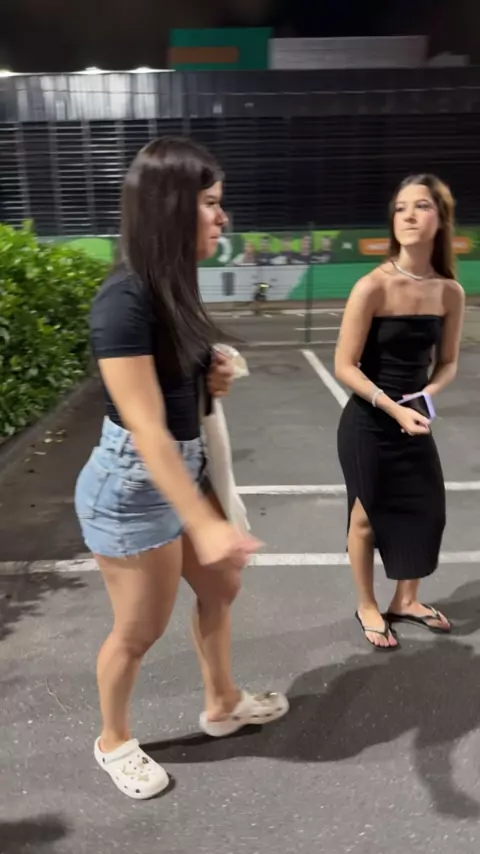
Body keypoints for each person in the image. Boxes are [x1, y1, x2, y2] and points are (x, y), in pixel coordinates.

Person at [74, 136, 289, 800]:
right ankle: (113, 741)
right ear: (170, 207)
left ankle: (222, 703)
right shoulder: (123, 301)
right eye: (211, 203)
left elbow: (176, 395)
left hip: (179, 470)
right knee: (139, 631)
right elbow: (146, 428)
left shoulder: (173, 287)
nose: (223, 217)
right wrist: (206, 521)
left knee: (221, 585)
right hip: (132, 487)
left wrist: (211, 376)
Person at [335, 173, 465, 650]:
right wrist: (393, 407)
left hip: (413, 419)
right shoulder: (372, 286)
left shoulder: (449, 292)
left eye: (422, 206)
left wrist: (427, 394)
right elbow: (344, 365)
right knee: (365, 518)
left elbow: (448, 362)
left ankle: (406, 600)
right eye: (400, 208)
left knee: (426, 511)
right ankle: (367, 604)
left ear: (441, 220)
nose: (409, 216)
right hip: (369, 419)